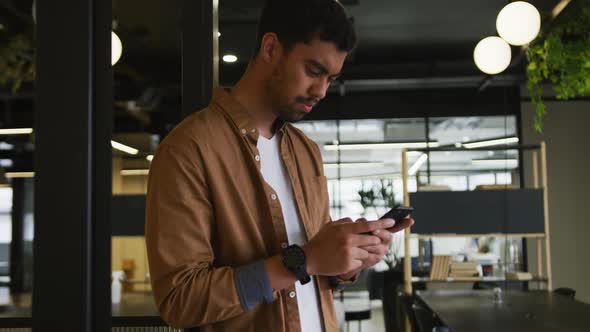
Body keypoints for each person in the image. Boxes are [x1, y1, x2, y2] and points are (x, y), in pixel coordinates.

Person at [145, 0, 414, 331]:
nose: (321, 91)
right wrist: (303, 261)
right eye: (313, 71)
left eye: (331, 77)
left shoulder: (306, 152)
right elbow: (179, 300)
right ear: (271, 48)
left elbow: (313, 272)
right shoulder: (189, 149)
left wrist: (348, 259)